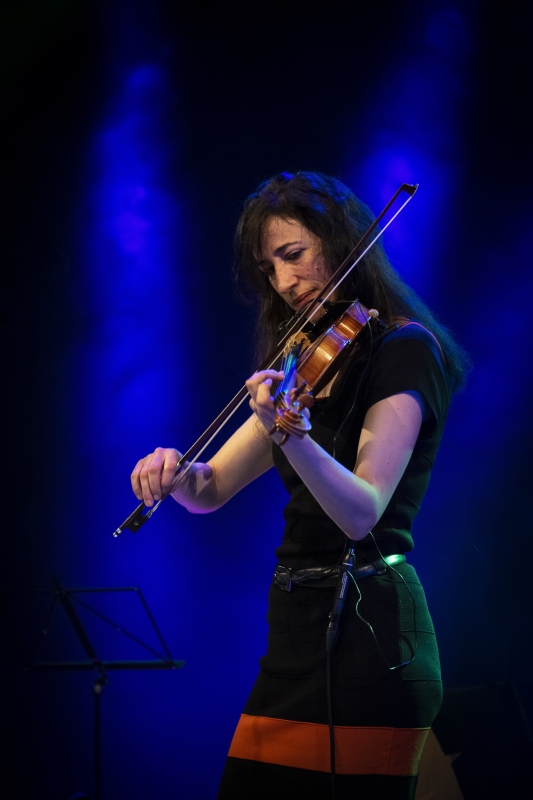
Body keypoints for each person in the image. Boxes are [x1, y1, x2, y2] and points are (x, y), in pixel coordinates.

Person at [131, 172, 470, 799]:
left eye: (294, 255)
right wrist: (175, 472)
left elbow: (362, 511)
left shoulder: (405, 349)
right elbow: (211, 489)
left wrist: (290, 434)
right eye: (270, 269)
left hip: (372, 628)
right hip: (297, 624)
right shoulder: (306, 361)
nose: (284, 283)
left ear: (340, 241)